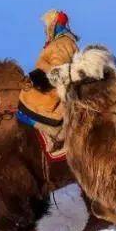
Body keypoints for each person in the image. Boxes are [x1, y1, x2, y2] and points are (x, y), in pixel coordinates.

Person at [17, 9, 79, 141]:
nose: (45, 29)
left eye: (47, 25)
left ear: (53, 25)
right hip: (52, 89)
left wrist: (33, 78)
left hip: (53, 94)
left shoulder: (61, 45)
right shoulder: (63, 42)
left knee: (21, 113)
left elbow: (56, 71)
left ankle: (53, 132)